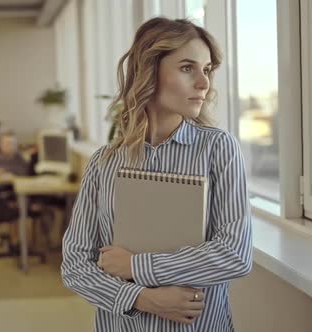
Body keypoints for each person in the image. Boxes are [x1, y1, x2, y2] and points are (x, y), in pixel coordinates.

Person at [61, 17, 252, 332]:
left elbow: (234, 255)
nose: (204, 83)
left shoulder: (218, 149)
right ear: (149, 70)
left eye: (206, 70)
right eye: (187, 68)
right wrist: (141, 298)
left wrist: (136, 266)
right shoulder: (102, 163)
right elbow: (75, 267)